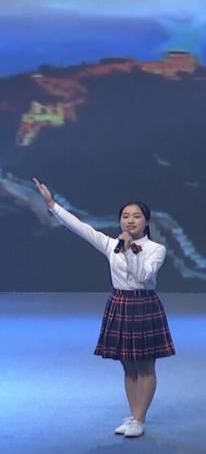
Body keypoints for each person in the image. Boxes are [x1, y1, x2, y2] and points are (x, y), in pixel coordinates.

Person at [32, 178, 174, 438]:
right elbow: (81, 228)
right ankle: (133, 415)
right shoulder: (110, 245)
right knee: (128, 366)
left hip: (144, 305)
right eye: (125, 216)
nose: (130, 221)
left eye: (136, 216)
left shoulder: (157, 249)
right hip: (119, 304)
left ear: (146, 221)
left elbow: (143, 276)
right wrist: (52, 204)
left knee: (145, 366)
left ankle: (140, 419)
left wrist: (128, 250)